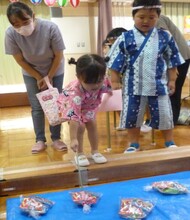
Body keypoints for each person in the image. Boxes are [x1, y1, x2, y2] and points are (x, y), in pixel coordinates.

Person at [107, 0, 184, 153]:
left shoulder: (165, 36)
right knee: (132, 117)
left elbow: (172, 59)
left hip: (159, 85)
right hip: (132, 86)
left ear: (158, 17)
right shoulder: (125, 37)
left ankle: (169, 142)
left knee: (165, 114)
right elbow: (114, 62)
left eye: (151, 17)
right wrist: (115, 81)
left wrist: (173, 80)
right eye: (141, 17)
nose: (146, 21)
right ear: (133, 16)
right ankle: (133, 144)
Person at [5, 2, 67, 154]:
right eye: (16, 24)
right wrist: (38, 77)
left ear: (33, 16)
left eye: (25, 21)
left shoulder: (50, 27)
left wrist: (49, 77)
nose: (22, 27)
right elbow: (19, 59)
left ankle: (56, 138)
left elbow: (59, 54)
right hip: (31, 72)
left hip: (55, 69)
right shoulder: (10, 33)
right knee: (37, 107)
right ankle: (40, 140)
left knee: (54, 105)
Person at [57, 54, 112, 166]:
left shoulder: (103, 79)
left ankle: (95, 151)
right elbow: (74, 118)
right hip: (72, 104)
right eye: (90, 83)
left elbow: (108, 88)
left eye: (99, 81)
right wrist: (72, 139)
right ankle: (80, 153)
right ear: (79, 77)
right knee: (80, 127)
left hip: (88, 105)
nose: (96, 85)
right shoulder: (74, 93)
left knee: (92, 124)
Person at [141, 14, 190, 131]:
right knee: (170, 91)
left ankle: (169, 123)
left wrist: (173, 65)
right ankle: (166, 122)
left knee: (172, 91)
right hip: (178, 57)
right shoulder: (153, 19)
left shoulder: (156, 18)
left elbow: (166, 40)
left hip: (179, 57)